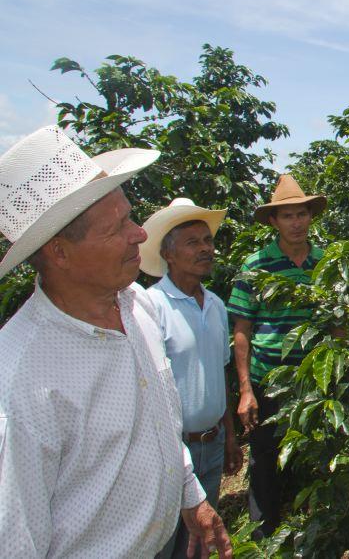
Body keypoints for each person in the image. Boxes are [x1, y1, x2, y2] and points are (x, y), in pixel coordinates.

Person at [0, 126, 232, 558]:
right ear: (59, 252)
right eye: (117, 227)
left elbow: (160, 419)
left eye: (129, 216)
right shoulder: (20, 383)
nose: (140, 235)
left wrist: (192, 497)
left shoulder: (137, 305)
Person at [141, 198, 245, 559]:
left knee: (199, 543)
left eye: (208, 241)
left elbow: (220, 372)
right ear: (168, 254)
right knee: (164, 543)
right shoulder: (152, 307)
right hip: (171, 451)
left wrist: (230, 437)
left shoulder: (215, 304)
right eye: (193, 242)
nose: (206, 249)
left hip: (212, 445)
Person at [226, 174, 328, 536]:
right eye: (288, 216)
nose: (297, 223)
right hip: (267, 380)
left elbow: (336, 323)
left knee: (315, 456)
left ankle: (313, 532)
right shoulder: (256, 265)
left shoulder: (324, 262)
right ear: (273, 221)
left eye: (301, 214)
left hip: (313, 382)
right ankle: (263, 533)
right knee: (265, 458)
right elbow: (242, 330)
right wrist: (246, 390)